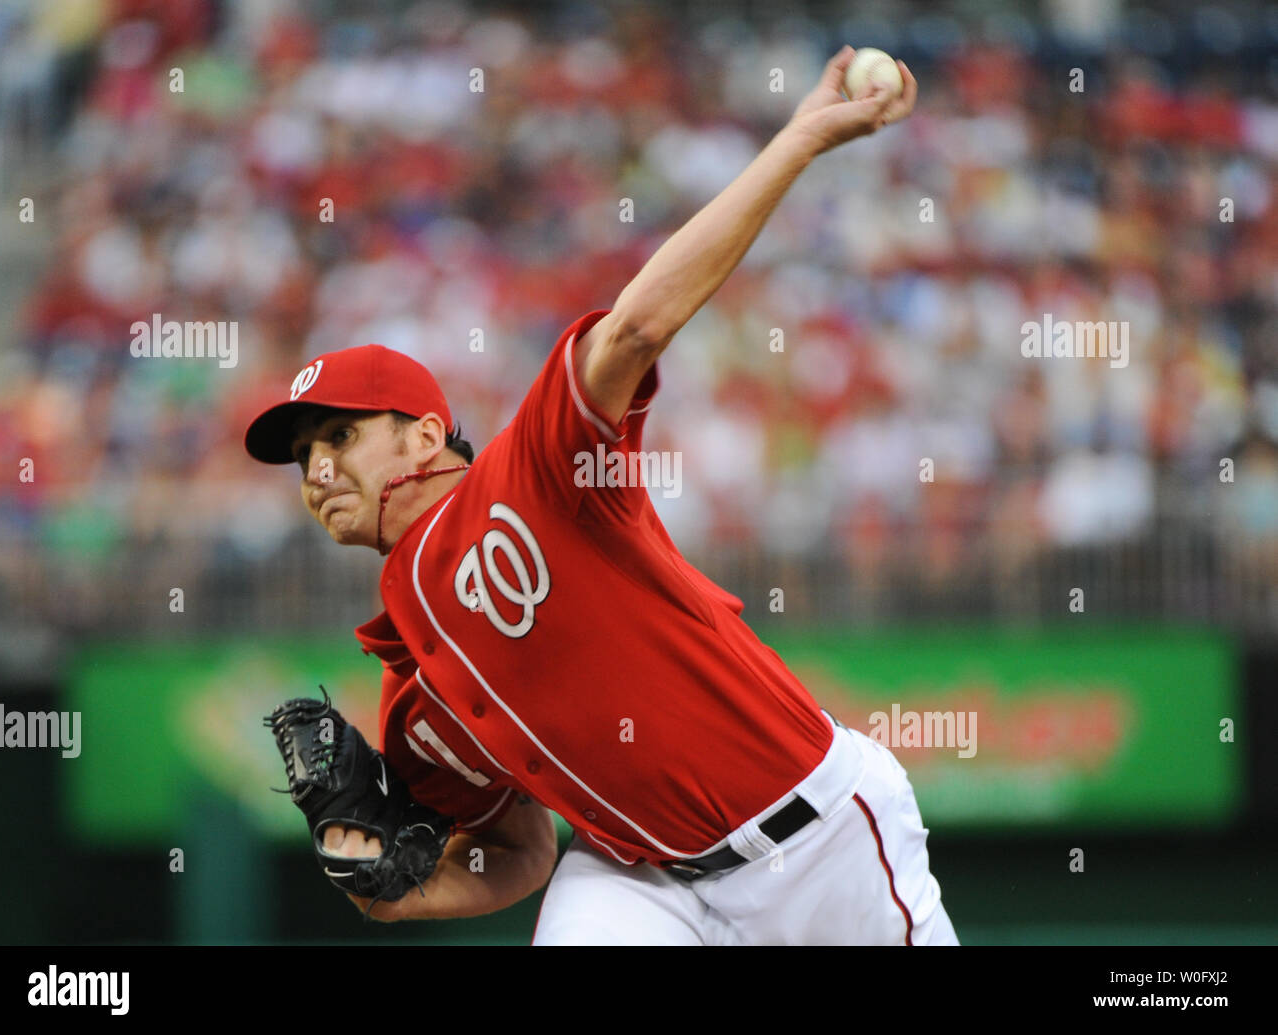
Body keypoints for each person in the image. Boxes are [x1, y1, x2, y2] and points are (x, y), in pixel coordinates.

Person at [244, 44, 957, 945]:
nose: (316, 469)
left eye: (340, 437)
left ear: (424, 435)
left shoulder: (536, 470)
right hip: (637, 875)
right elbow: (520, 850)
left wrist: (799, 141)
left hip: (814, 839)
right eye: (303, 455)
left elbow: (636, 329)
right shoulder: (411, 692)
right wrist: (396, 889)